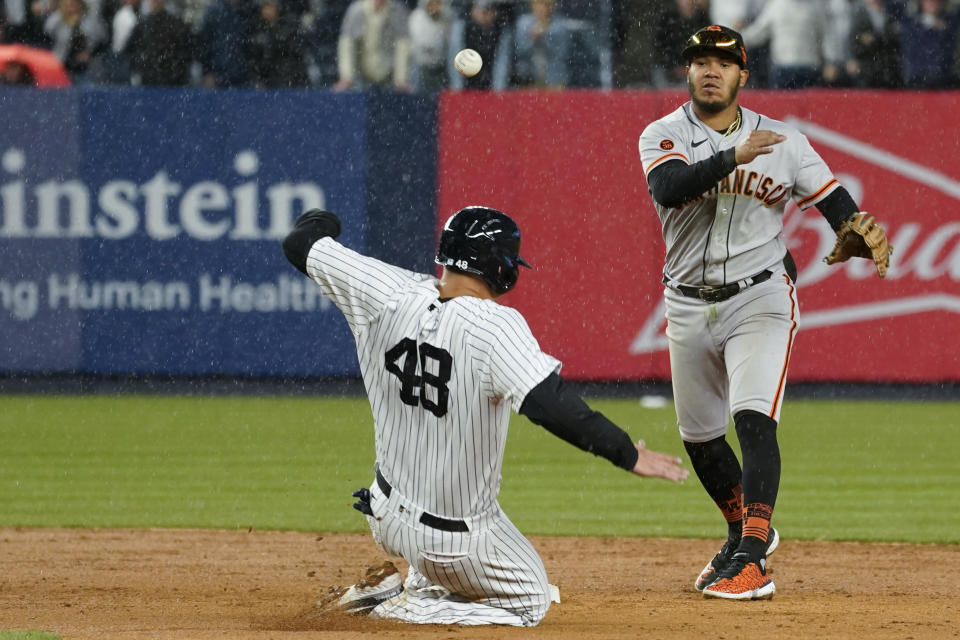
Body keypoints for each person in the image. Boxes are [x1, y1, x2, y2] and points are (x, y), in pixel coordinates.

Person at [282, 205, 689, 625]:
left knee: (447, 552)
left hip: (383, 513)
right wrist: (628, 454)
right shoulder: (495, 327)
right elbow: (550, 406)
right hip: (453, 540)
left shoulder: (384, 291)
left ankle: (410, 584)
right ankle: (404, 607)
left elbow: (301, 243)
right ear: (499, 266)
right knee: (532, 598)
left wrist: (321, 220)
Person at [638, 25, 891, 600]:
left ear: (742, 75)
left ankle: (754, 559)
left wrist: (849, 224)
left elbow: (832, 199)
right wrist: (732, 156)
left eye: (723, 63)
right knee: (701, 439)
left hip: (761, 295)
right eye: (700, 60)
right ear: (688, 71)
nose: (710, 69)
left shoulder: (783, 140)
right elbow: (671, 188)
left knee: (753, 418)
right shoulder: (662, 133)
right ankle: (741, 533)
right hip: (685, 300)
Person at [740, 0, 838, 88]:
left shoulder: (817, 6)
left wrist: (831, 62)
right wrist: (736, 40)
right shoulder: (777, 5)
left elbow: (826, 36)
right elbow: (759, 32)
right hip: (782, 69)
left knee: (810, 107)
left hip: (809, 69)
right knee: (780, 107)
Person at [333, 0, 412, 91]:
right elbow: (347, 46)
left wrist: (401, 79)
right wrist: (347, 77)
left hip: (390, 77)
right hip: (361, 76)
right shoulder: (357, 10)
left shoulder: (397, 11)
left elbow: (403, 47)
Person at [125, 0, 193, 86]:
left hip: (173, 83)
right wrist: (142, 66)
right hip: (148, 82)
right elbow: (130, 50)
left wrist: (176, 69)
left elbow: (186, 51)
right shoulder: (143, 25)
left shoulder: (175, 24)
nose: (156, 2)